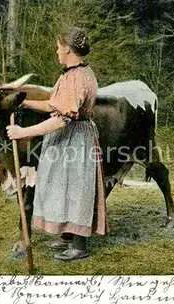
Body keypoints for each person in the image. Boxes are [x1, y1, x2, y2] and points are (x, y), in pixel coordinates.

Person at [6, 27, 107, 261]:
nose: (56, 52)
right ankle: (70, 237)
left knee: (77, 189)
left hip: (75, 139)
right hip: (67, 138)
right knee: (63, 186)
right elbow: (56, 105)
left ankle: (79, 246)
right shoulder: (74, 73)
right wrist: (26, 104)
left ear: (68, 50)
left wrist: (23, 132)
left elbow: (61, 120)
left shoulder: (78, 78)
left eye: (59, 48)